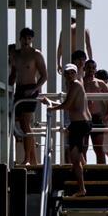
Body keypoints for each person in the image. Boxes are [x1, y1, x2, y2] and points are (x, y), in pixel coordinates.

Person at [44, 64, 91, 197]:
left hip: (79, 124)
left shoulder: (75, 84)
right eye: (67, 73)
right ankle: (83, 173)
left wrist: (51, 107)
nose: (70, 75)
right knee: (78, 155)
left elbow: (67, 105)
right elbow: (70, 104)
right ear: (64, 75)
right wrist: (50, 102)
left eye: (72, 73)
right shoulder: (73, 85)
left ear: (76, 74)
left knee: (74, 159)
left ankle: (82, 188)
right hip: (80, 124)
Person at [9, 27, 48, 166]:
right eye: (24, 38)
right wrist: (8, 88)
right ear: (20, 39)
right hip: (19, 90)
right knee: (20, 123)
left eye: (29, 38)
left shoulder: (36, 54)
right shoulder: (16, 55)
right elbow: (13, 74)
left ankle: (27, 159)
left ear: (32, 40)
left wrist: (34, 90)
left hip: (30, 89)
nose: (26, 41)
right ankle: (33, 160)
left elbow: (44, 76)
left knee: (26, 123)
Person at [82, 59, 108, 164]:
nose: (91, 70)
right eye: (89, 67)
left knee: (99, 148)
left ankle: (101, 172)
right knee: (83, 148)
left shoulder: (100, 83)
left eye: (93, 68)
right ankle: (84, 171)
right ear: (84, 68)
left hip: (97, 118)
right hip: (83, 117)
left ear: (95, 70)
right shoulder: (80, 82)